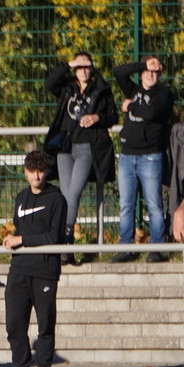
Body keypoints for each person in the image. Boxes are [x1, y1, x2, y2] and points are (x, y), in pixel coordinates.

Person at [0, 151, 67, 367]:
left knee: (45, 323)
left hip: (45, 270)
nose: (36, 175)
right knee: (14, 323)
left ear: (46, 171)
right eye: (32, 171)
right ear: (25, 172)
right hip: (19, 269)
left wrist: (22, 239)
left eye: (40, 170)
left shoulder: (57, 199)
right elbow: (20, 233)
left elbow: (53, 236)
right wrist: (12, 241)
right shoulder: (20, 198)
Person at [44, 53, 117, 265]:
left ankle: (65, 243)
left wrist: (97, 118)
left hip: (87, 147)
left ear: (92, 68)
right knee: (64, 195)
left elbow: (113, 117)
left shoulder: (101, 89)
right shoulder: (67, 88)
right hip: (64, 147)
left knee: (72, 195)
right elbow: (49, 84)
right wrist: (68, 64)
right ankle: (65, 247)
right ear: (74, 69)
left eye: (87, 66)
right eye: (79, 66)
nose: (83, 70)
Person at [109, 56, 175, 263]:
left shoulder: (164, 94)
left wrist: (129, 107)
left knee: (154, 203)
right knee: (126, 204)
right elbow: (119, 72)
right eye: (147, 71)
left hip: (150, 157)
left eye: (155, 71)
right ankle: (125, 247)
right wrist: (143, 64)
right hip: (128, 156)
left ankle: (156, 247)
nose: (150, 74)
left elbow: (150, 112)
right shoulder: (134, 90)